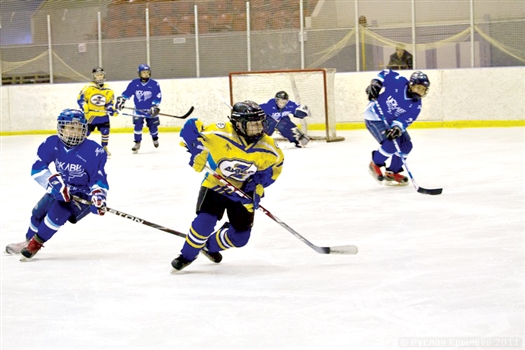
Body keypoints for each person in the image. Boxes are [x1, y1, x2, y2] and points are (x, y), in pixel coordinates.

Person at [171, 100, 285, 272]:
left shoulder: (269, 148)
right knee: (204, 224)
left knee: (240, 238)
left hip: (242, 192)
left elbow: (271, 170)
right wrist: (197, 150)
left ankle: (208, 246)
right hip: (215, 186)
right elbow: (191, 126)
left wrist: (257, 186)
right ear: (238, 124)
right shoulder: (220, 132)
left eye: (260, 123)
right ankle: (186, 255)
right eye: (253, 125)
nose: (259, 128)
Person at [5, 109, 109, 260]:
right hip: (62, 188)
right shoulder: (52, 143)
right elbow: (38, 168)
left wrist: (98, 196)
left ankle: (35, 244)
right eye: (71, 127)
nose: (76, 132)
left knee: (57, 213)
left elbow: (98, 178)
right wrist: (54, 185)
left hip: (83, 194)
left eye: (80, 128)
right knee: (38, 212)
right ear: (62, 128)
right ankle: (28, 240)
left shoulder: (94, 150)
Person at [364, 69, 430, 185]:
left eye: (423, 90)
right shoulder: (399, 82)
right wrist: (376, 83)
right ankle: (375, 163)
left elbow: (404, 120)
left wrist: (397, 128)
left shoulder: (416, 106)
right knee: (391, 145)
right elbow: (385, 73)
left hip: (391, 121)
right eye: (418, 88)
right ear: (411, 85)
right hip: (374, 117)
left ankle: (392, 172)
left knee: (406, 146)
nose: (420, 92)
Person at [115, 64, 162, 153]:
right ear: (139, 73)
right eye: (144, 72)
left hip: (151, 110)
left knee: (153, 127)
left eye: (147, 72)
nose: (146, 74)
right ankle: (137, 142)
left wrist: (154, 105)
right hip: (138, 109)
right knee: (138, 126)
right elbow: (127, 93)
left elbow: (158, 96)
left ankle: (155, 138)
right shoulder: (134, 83)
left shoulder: (154, 84)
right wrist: (122, 100)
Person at [77, 67, 116, 156]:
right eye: (97, 75)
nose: (99, 77)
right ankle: (79, 147)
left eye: (101, 75)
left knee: (105, 132)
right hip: (91, 116)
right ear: (94, 76)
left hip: (103, 115)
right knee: (86, 132)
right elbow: (80, 99)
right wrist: (84, 105)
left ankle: (104, 147)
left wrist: (111, 109)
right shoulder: (88, 88)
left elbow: (109, 102)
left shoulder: (108, 89)